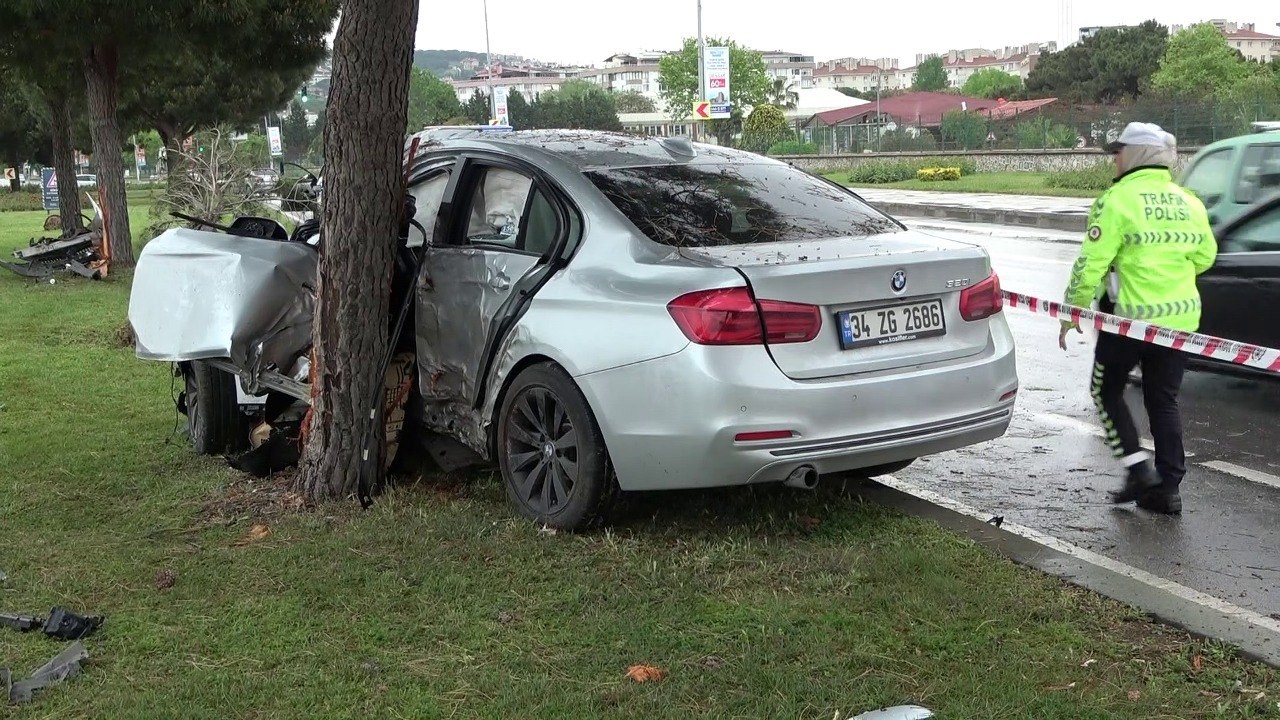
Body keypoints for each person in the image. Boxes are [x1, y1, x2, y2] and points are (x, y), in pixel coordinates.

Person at [1058, 122, 1218, 515]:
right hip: (1179, 321)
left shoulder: (1116, 200)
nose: (1114, 159)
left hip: (1127, 320)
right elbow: (1206, 257)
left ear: (1136, 156)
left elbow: (1090, 263)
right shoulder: (1189, 201)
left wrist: (1071, 311)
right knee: (1163, 400)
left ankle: (1136, 469)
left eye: (1119, 152)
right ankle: (1167, 489)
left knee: (1105, 391)